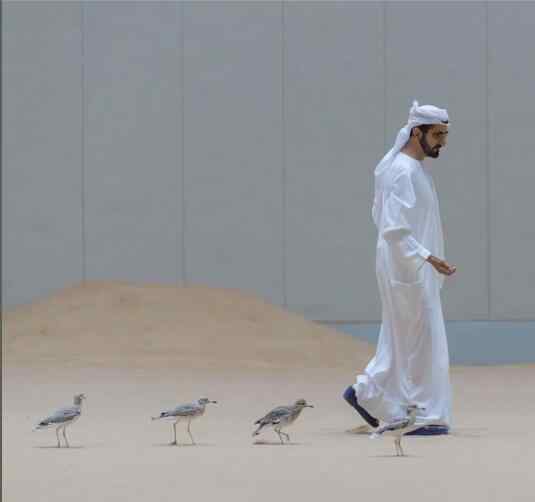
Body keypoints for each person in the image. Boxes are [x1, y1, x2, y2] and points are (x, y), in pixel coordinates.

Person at [344, 100, 457, 436]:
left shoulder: (412, 169)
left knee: (403, 339)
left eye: (445, 135)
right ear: (415, 132)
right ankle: (422, 414)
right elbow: (393, 227)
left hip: (410, 264)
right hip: (405, 265)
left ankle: (367, 393)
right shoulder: (402, 171)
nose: (442, 143)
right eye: (437, 134)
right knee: (422, 341)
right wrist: (427, 256)